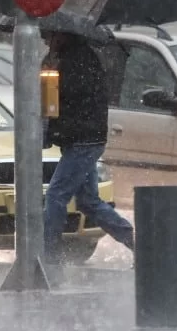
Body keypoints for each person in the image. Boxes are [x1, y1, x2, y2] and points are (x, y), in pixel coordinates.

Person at [41, 31, 135, 265]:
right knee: (88, 201)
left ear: (63, 36)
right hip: (81, 139)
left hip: (84, 140)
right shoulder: (73, 58)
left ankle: (47, 255)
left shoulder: (78, 61)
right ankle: (136, 242)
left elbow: (57, 101)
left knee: (55, 195)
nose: (46, 41)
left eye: (48, 36)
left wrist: (50, 74)